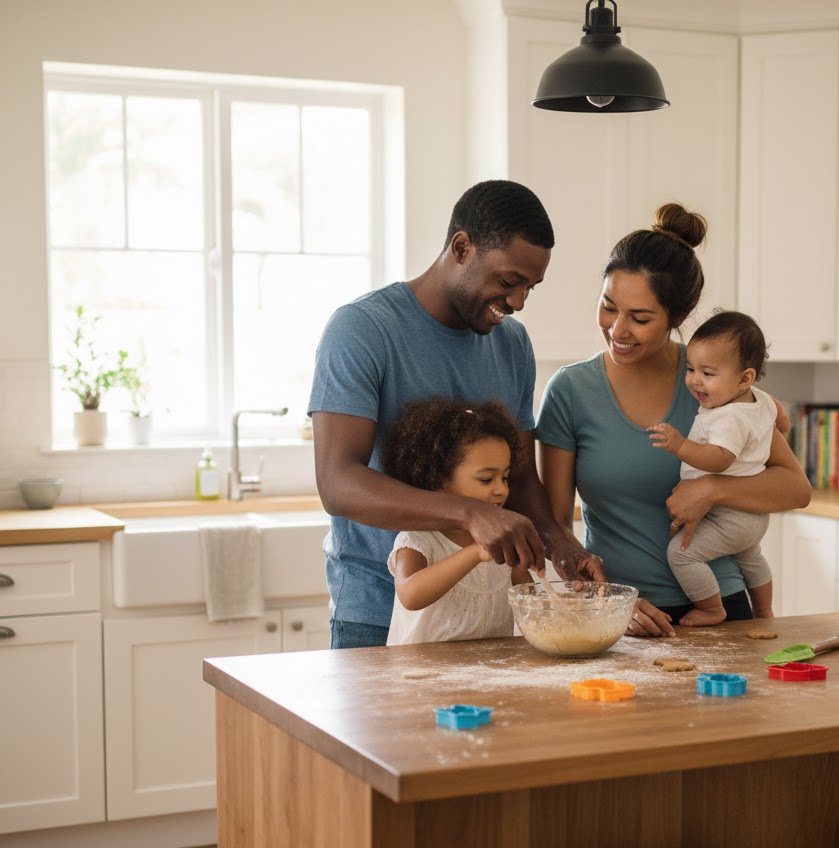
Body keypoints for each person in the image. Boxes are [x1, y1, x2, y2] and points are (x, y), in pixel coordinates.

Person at [308, 179, 602, 649]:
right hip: (377, 614)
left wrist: (557, 539)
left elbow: (521, 477)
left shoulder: (513, 345)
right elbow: (338, 482)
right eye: (509, 281)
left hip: (483, 620)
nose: (519, 301)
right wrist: (471, 514)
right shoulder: (363, 330)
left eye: (530, 286)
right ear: (461, 247)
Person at [536, 203, 811, 638]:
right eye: (609, 307)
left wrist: (712, 487)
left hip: (723, 606)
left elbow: (796, 489)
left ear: (677, 318)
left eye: (640, 318)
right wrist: (608, 601)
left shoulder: (714, 384)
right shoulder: (570, 391)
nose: (617, 330)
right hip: (625, 616)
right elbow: (553, 528)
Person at [648, 310, 775, 626]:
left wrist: (680, 445)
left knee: (682, 554)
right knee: (751, 557)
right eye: (691, 369)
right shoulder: (758, 400)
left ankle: (710, 608)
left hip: (730, 515)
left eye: (707, 373)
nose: (694, 380)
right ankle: (764, 610)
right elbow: (776, 418)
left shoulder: (727, 416)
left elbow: (720, 458)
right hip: (751, 514)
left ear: (744, 378)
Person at [381, 397, 533, 645]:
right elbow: (410, 594)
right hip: (422, 677)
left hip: (489, 673)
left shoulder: (504, 538)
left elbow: (528, 601)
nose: (501, 490)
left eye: (504, 478)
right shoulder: (418, 539)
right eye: (486, 479)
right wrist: (475, 553)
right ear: (440, 479)